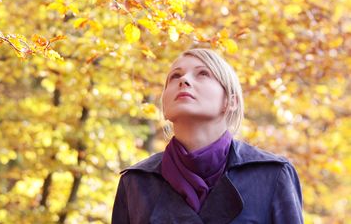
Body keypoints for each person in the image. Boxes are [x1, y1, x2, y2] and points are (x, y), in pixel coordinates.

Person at [111, 48, 303, 223]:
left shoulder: (271, 175)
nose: (184, 80)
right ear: (165, 107)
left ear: (230, 101)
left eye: (203, 74)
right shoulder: (136, 183)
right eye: (175, 76)